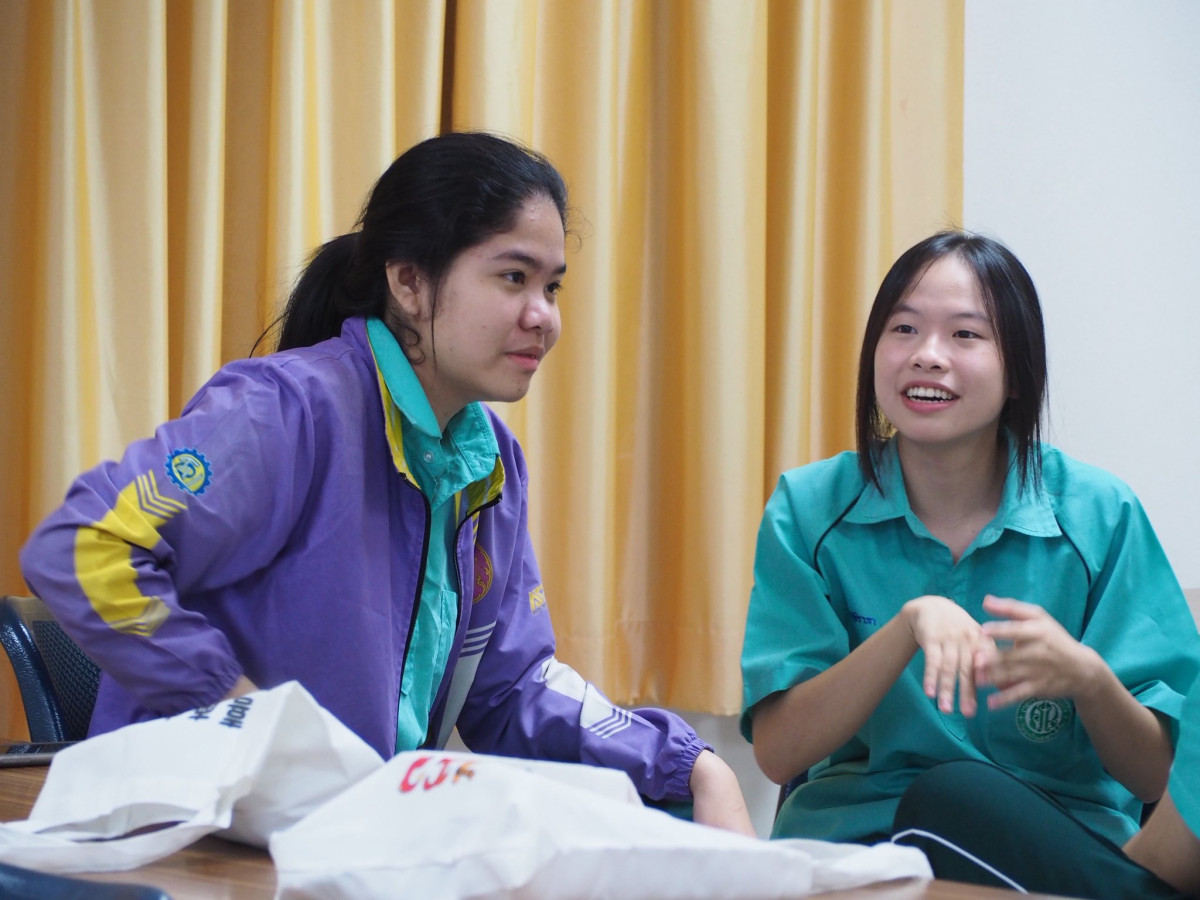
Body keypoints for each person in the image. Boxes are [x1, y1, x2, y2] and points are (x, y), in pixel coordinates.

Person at [20, 131, 753, 835]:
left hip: (341, 847)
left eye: (552, 286)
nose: (544, 317)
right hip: (193, 842)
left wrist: (691, 765)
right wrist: (235, 711)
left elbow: (512, 687)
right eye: (513, 277)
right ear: (408, 282)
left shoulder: (487, 461)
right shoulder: (290, 411)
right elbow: (86, 547)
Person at [739, 230, 1200, 850]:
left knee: (963, 800)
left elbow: (1161, 778)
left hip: (1054, 845)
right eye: (904, 329)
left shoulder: (1100, 515)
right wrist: (906, 628)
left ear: (1018, 373)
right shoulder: (809, 508)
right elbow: (778, 754)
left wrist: (1090, 680)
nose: (927, 355)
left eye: (965, 334)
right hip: (865, 841)